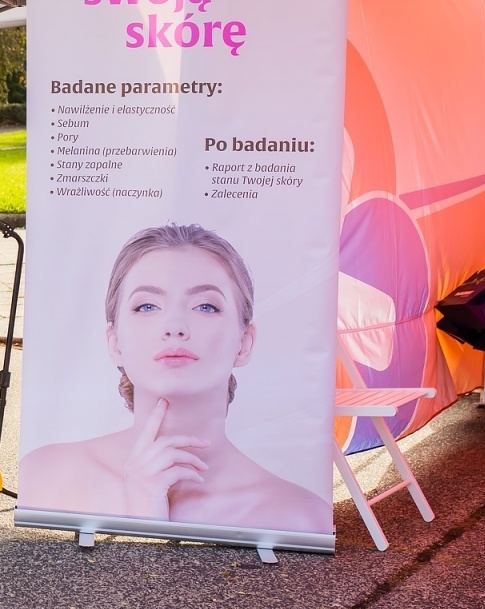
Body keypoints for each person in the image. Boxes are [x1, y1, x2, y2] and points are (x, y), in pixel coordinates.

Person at [19, 223, 332, 534]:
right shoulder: (45, 476)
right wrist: (143, 512)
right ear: (115, 343)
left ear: (244, 342)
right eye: (147, 306)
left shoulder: (301, 517)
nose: (174, 327)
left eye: (205, 306)